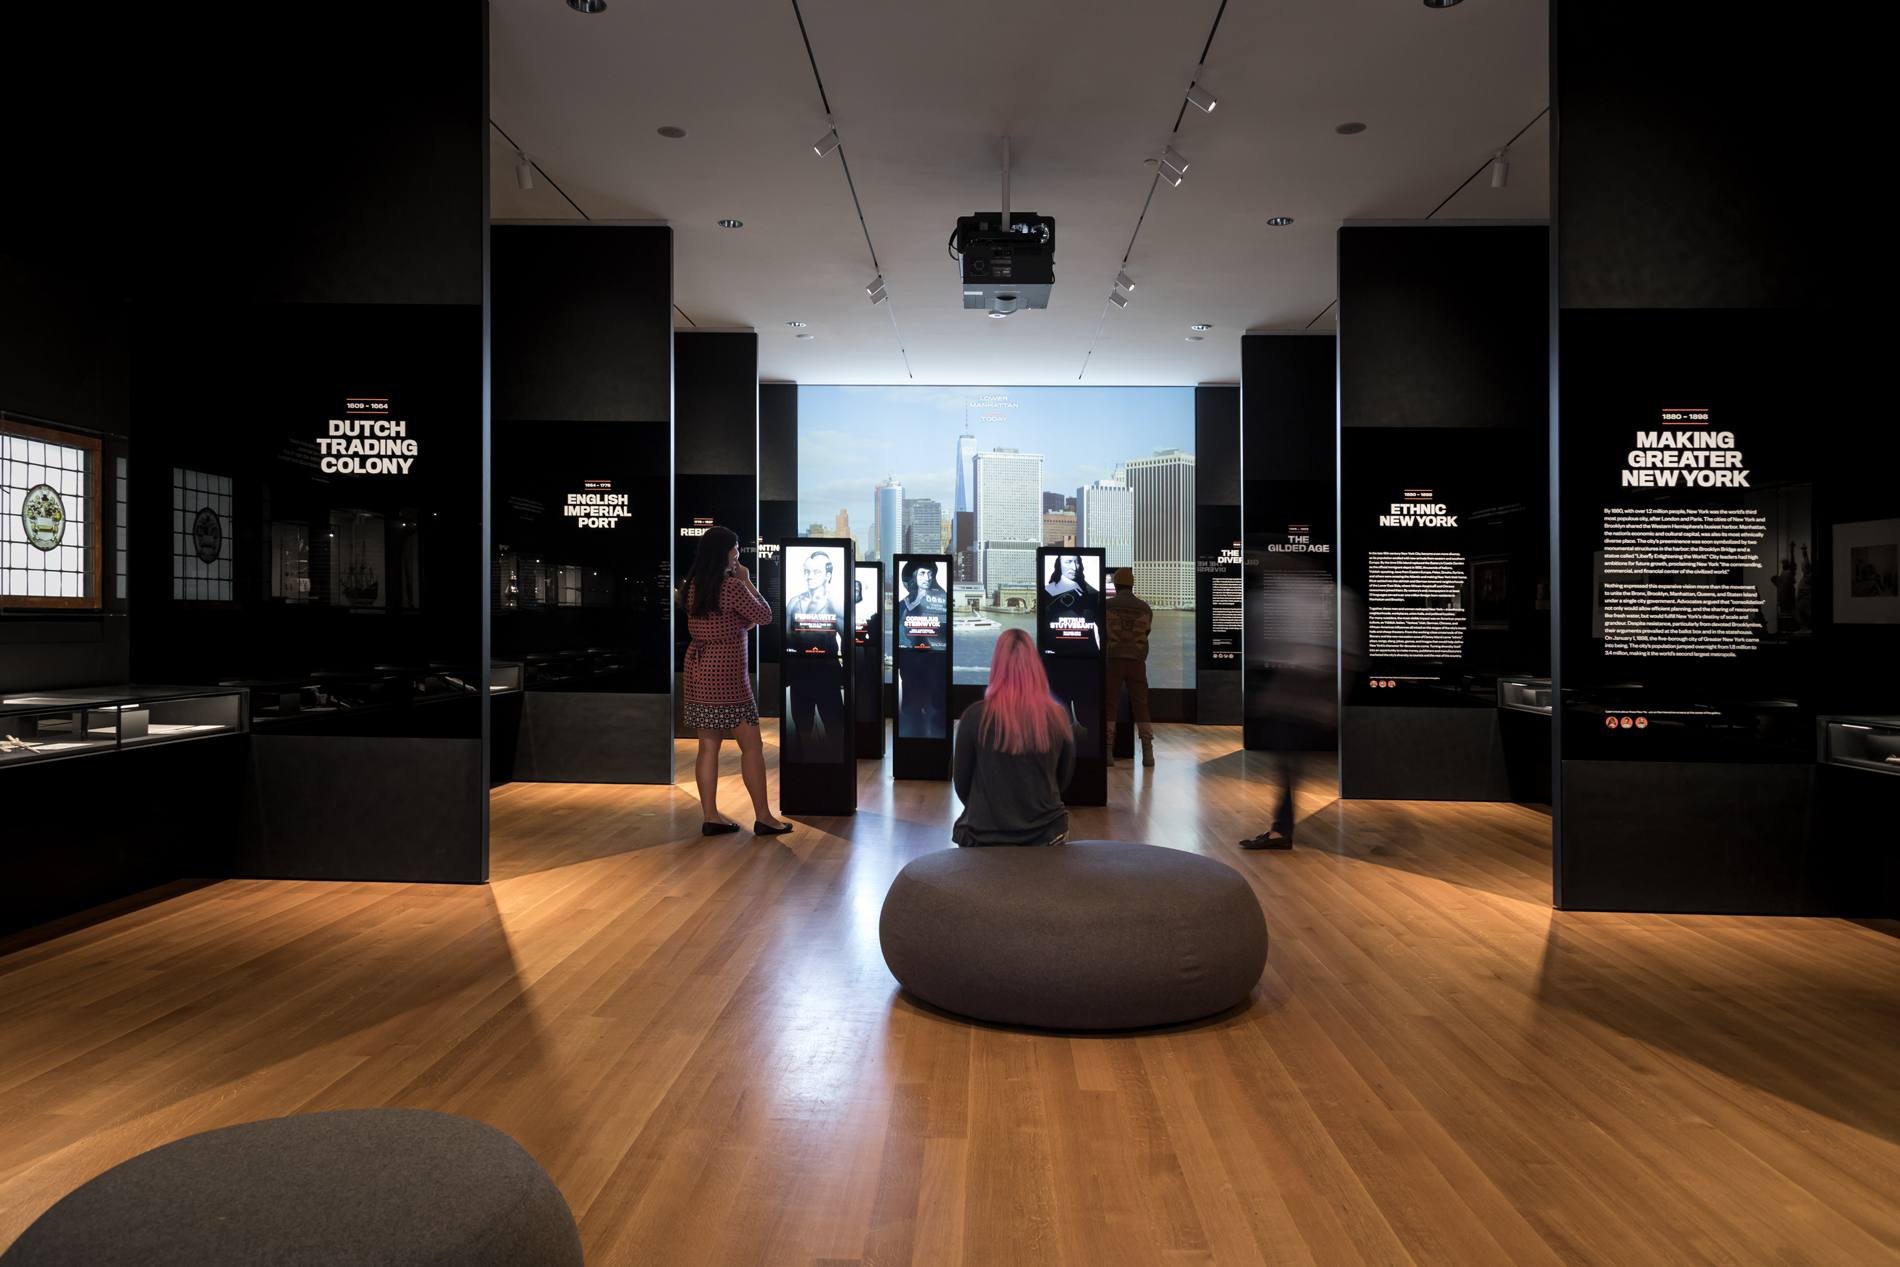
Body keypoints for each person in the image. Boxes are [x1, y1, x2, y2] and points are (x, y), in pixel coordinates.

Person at [680, 526, 793, 838]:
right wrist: (746, 579)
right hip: (728, 675)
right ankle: (764, 818)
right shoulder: (731, 586)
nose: (738, 554)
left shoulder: (692, 586)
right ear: (725, 552)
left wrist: (743, 622)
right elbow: (765, 615)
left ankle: (710, 817)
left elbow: (735, 621)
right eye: (736, 548)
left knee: (708, 746)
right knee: (752, 746)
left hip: (699, 672)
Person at [951, 628, 1077, 846]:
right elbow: (1061, 780)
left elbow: (961, 785)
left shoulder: (974, 716)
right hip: (1047, 835)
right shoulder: (1058, 716)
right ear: (1035, 667)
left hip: (982, 835)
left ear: (997, 667)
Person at [784, 548, 847, 761]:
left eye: (816, 572)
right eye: (807, 571)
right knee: (802, 722)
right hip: (801, 673)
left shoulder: (835, 603)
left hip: (827, 672)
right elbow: (786, 641)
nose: (810, 576)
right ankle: (805, 763)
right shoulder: (794, 603)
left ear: (828, 575)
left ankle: (835, 765)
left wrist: (846, 672)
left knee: (834, 723)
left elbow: (847, 638)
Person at [1103, 566, 1155, 768]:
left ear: (1115, 585)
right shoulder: (1145, 608)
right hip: (1137, 663)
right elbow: (1146, 633)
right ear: (1132, 584)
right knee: (1141, 707)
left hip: (1113, 660)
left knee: (1110, 706)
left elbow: (1102, 634)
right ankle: (1148, 753)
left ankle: (1108, 751)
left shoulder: (1107, 606)